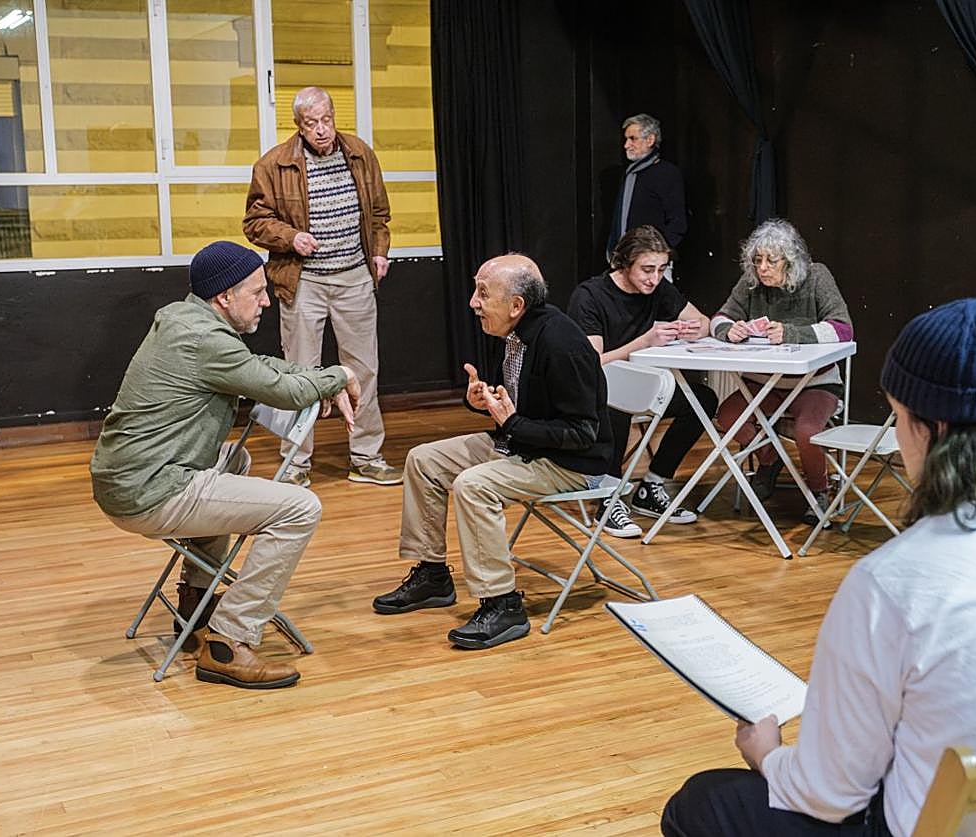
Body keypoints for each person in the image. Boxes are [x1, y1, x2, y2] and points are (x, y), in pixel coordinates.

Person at [662, 298, 976, 837]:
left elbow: (829, 794)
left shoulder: (893, 582)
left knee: (702, 803)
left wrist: (769, 755)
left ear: (933, 428)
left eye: (897, 418)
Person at [90, 241, 362, 689]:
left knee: (235, 459)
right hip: (150, 489)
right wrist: (341, 375)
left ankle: (195, 601)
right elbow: (286, 392)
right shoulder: (207, 341)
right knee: (302, 508)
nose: (266, 301)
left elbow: (259, 367)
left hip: (128, 478)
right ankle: (228, 640)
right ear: (224, 296)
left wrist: (318, 378)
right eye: (257, 292)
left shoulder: (184, 319)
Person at [371, 254, 611, 650]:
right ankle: (432, 575)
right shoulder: (515, 334)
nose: (473, 303)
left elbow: (583, 433)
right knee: (423, 460)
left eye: (483, 293)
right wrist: (483, 403)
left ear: (516, 305)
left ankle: (502, 603)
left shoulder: (561, 344)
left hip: (570, 463)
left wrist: (512, 422)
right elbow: (517, 406)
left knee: (473, 485)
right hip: (522, 445)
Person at [243, 85, 401, 488]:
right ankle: (295, 463)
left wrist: (379, 252)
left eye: (326, 120)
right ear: (298, 125)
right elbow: (254, 223)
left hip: (354, 277)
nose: (321, 129)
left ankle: (366, 457)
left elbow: (379, 214)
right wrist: (291, 237)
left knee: (364, 370)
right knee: (300, 374)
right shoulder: (274, 164)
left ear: (334, 116)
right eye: (311, 123)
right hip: (304, 281)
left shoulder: (360, 153)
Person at [568, 225, 717, 538]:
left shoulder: (658, 288)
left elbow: (703, 321)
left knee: (702, 400)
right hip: (596, 389)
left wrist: (695, 329)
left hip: (642, 384)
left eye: (662, 269)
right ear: (624, 263)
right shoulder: (590, 296)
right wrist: (645, 341)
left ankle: (652, 484)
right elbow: (592, 364)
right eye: (647, 269)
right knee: (618, 399)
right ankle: (608, 498)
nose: (654, 278)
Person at [711, 218, 853, 523]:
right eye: (757, 260)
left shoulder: (817, 276)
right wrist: (728, 330)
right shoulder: (750, 282)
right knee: (728, 416)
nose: (762, 268)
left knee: (807, 431)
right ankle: (770, 458)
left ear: (790, 261)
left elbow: (842, 329)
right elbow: (720, 317)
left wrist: (792, 333)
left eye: (771, 261)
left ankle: (819, 491)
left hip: (814, 382)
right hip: (765, 382)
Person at [606, 113, 687, 264]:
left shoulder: (667, 173)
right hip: (626, 259)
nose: (626, 145)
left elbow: (677, 223)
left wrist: (657, 254)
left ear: (650, 140)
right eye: (626, 139)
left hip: (653, 261)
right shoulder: (629, 174)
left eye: (633, 139)